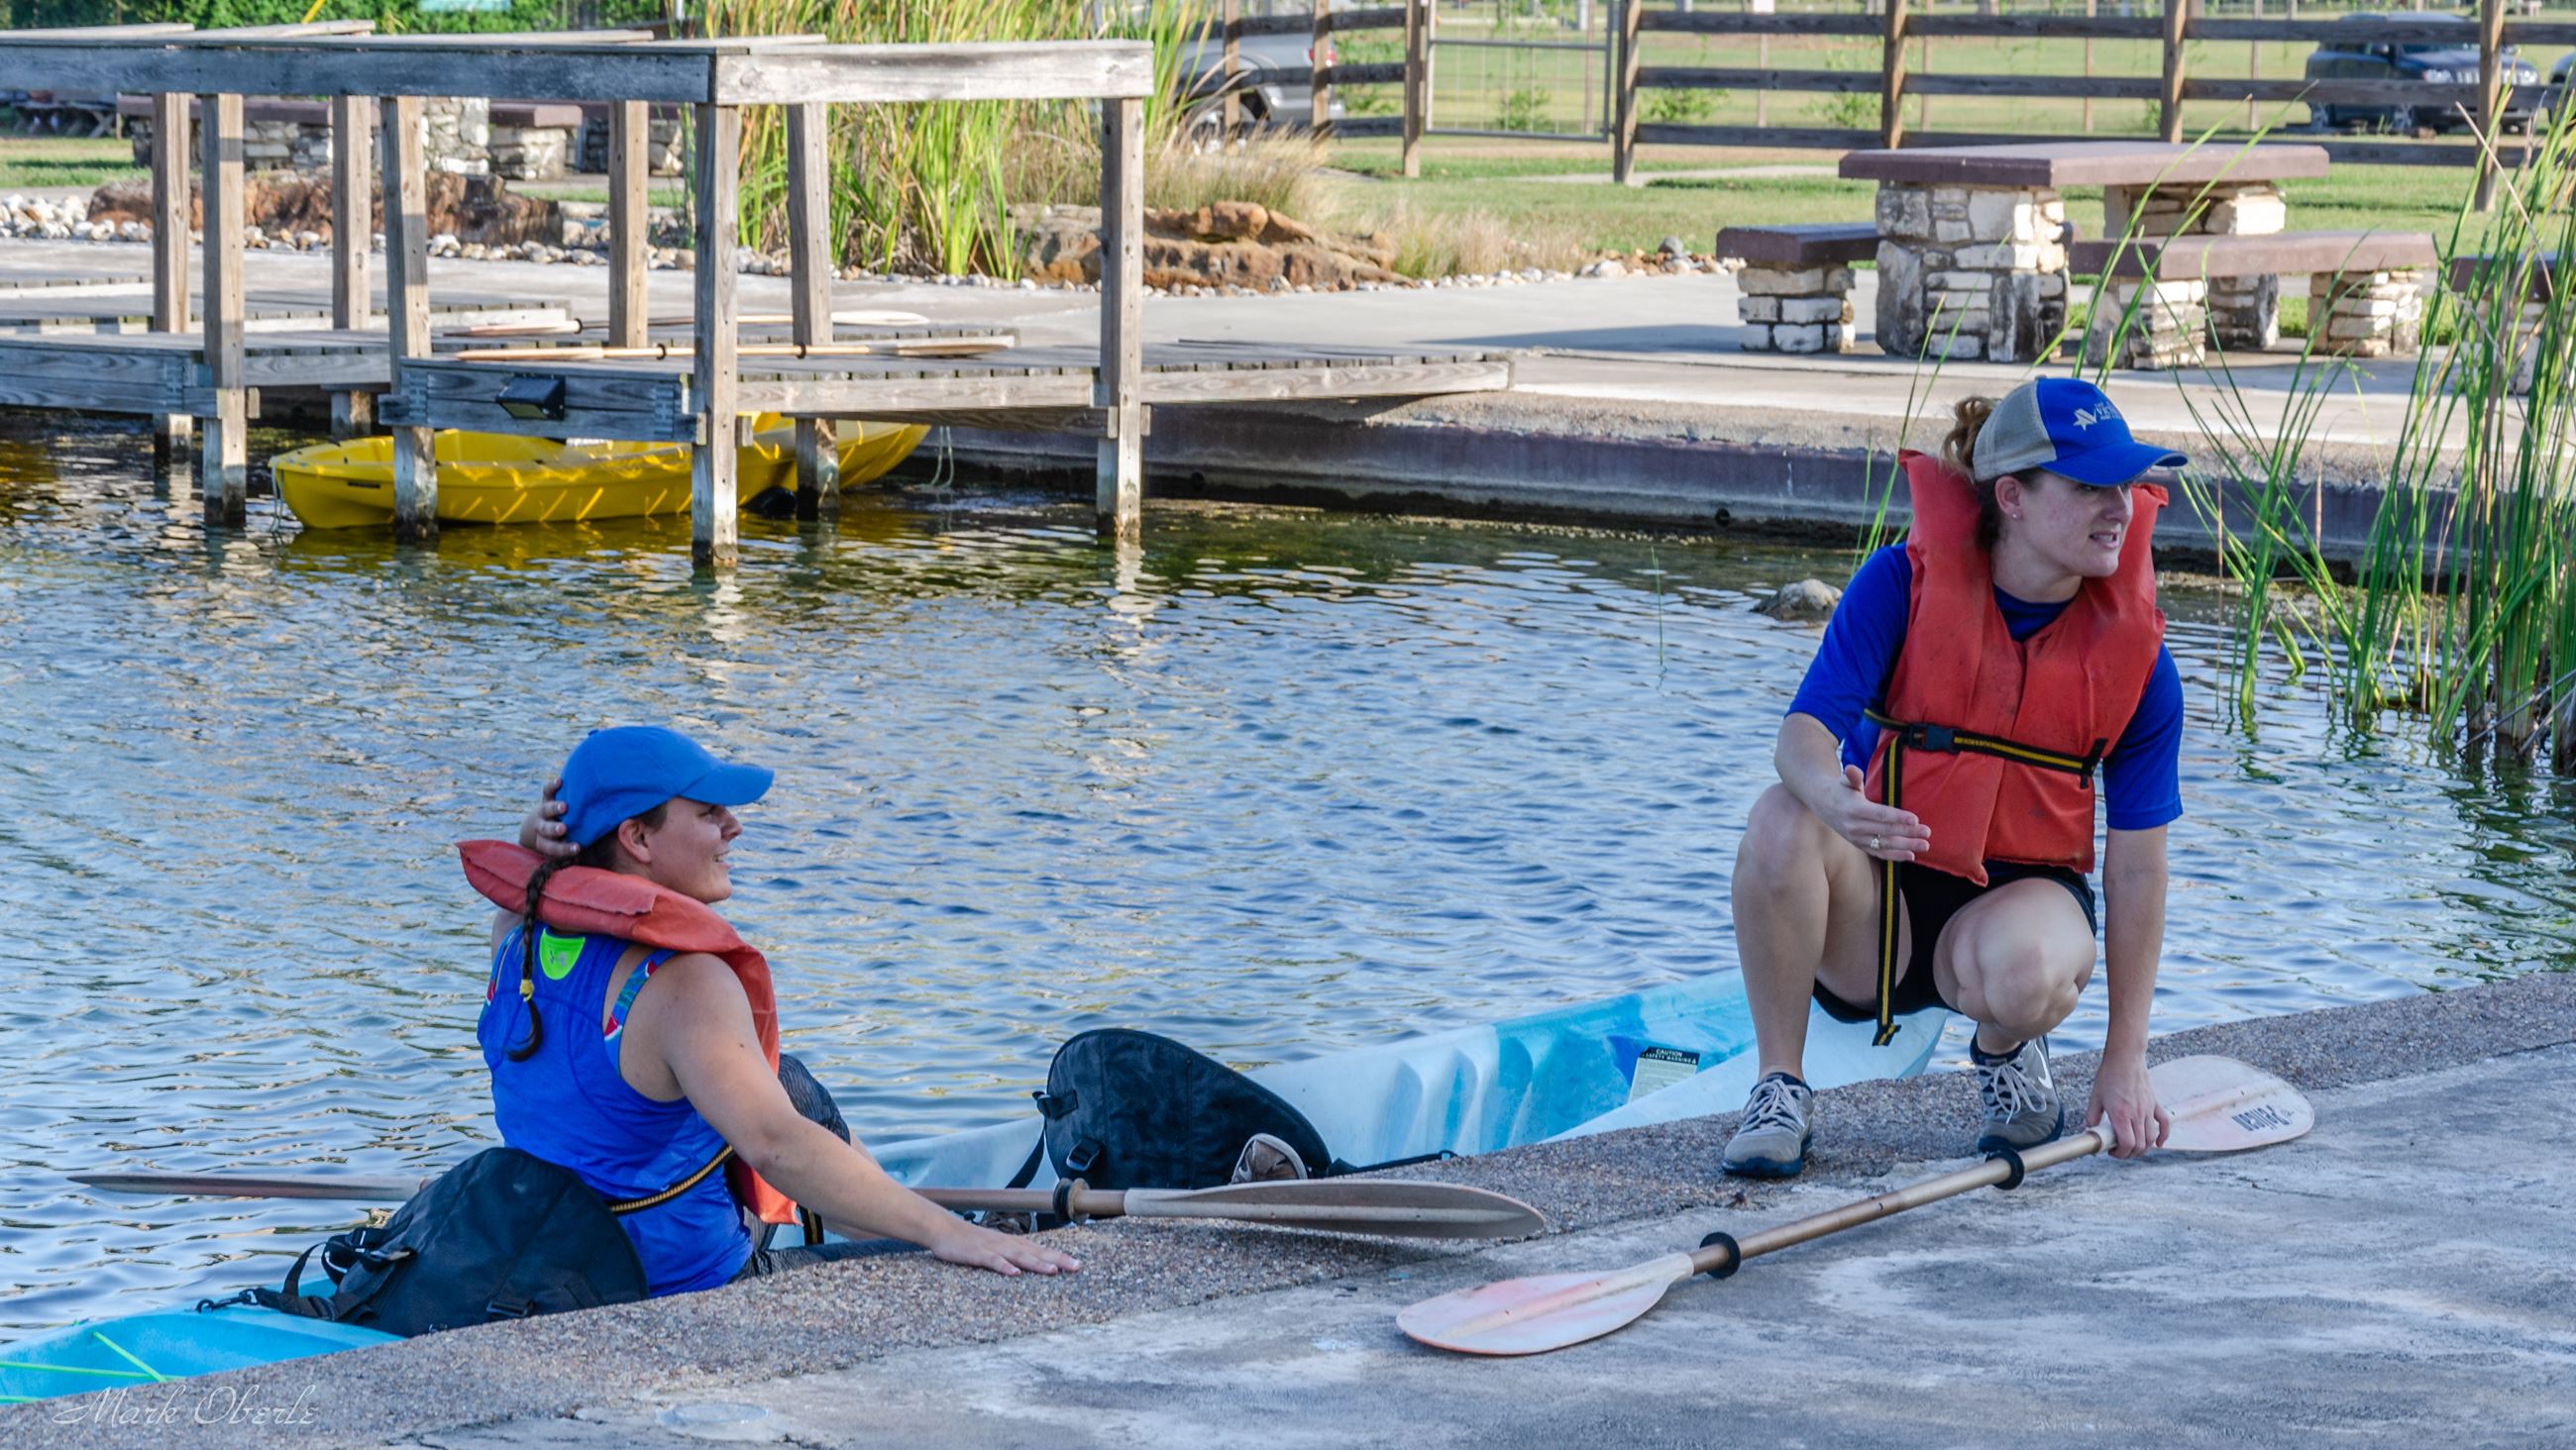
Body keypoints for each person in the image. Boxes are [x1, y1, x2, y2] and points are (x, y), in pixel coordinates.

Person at [1721, 377, 2184, 1180]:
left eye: (2123, 484)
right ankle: (1780, 1089)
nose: (2118, 505)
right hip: (1881, 913)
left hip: (2017, 912)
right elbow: (1800, 739)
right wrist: (1834, 798)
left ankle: (2007, 1054)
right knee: (1779, 818)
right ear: (2012, 497)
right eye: (2087, 486)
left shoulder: (2141, 661)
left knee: (2030, 972)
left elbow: (2138, 863)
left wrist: (2124, 1058)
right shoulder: (1899, 586)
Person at [480, 725, 1078, 1294]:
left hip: (556, 1260)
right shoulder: (683, 981)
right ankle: (960, 1225)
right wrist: (949, 1234)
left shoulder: (517, 941)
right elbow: (775, 1146)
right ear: (637, 838)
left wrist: (535, 840)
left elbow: (533, 879)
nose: (733, 828)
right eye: (709, 813)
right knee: (948, 1250)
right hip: (682, 1284)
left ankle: (886, 1205)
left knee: (785, 1078)